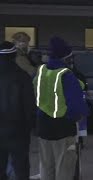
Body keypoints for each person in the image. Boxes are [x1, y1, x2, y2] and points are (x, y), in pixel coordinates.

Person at [33, 37, 88, 180]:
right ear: (66, 56)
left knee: (46, 165)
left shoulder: (41, 71)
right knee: (64, 166)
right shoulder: (66, 75)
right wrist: (79, 116)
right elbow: (76, 104)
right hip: (63, 126)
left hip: (43, 124)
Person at [0, 41, 36, 180]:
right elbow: (29, 105)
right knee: (20, 165)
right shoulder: (22, 76)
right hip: (18, 128)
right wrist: (30, 125)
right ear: (14, 56)